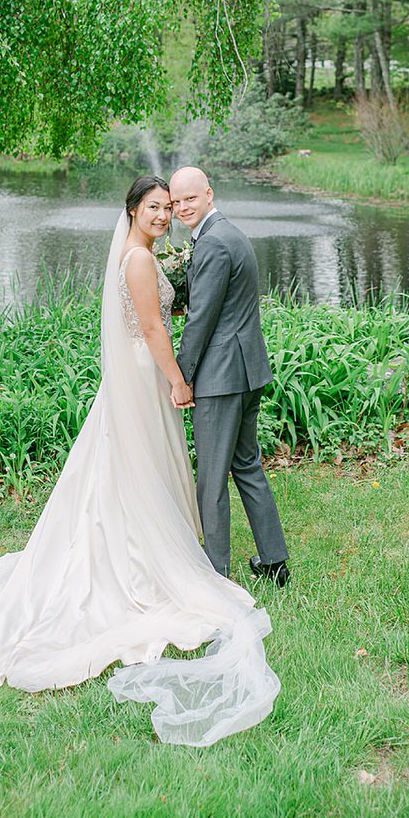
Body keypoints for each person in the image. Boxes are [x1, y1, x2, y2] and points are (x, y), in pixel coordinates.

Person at [0, 175, 279, 747]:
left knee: (151, 470)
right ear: (133, 210)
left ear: (202, 199)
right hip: (152, 376)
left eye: (172, 206)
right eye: (158, 206)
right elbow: (154, 326)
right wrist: (179, 376)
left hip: (157, 377)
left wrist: (178, 370)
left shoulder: (153, 254)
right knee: (158, 470)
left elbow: (174, 319)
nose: (167, 214)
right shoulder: (141, 261)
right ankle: (206, 567)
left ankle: (231, 560)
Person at [169, 166, 290, 585]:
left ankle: (214, 573)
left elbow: (201, 320)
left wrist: (180, 376)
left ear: (208, 194)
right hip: (246, 370)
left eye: (190, 199)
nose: (182, 207)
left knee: (212, 480)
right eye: (176, 201)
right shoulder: (227, 233)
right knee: (247, 466)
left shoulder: (215, 244)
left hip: (221, 378)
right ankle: (274, 563)